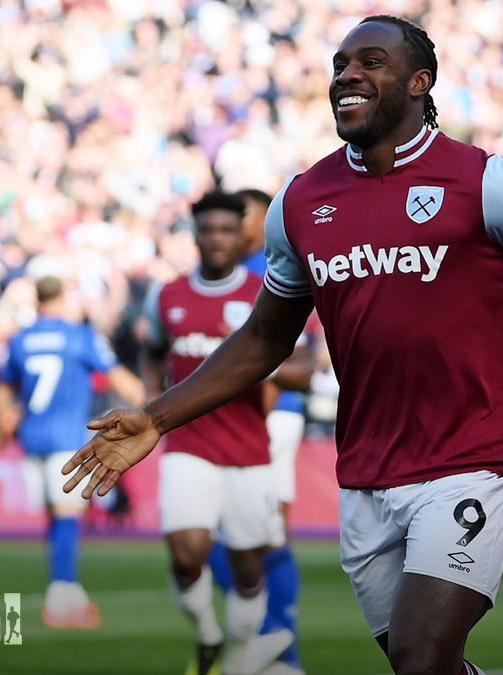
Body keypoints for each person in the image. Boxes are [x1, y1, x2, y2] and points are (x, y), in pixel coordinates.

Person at [62, 15, 503, 675]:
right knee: (423, 666)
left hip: (471, 453)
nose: (347, 75)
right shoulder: (300, 203)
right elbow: (265, 337)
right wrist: (157, 416)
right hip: (367, 468)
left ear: (419, 82)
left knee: (420, 654)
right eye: (340, 65)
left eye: (370, 62)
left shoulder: (485, 182)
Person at [141, 191, 309, 675]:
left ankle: (236, 653)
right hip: (187, 444)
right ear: (194, 236)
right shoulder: (166, 295)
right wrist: (152, 402)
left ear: (242, 237)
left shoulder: (265, 292)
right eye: (208, 230)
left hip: (248, 448)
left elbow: (302, 369)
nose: (217, 239)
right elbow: (153, 351)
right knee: (186, 552)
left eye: (226, 230)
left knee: (249, 567)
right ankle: (208, 634)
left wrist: (250, 361)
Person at [0, 275, 146, 630]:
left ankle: (66, 589)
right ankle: (62, 594)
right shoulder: (80, 337)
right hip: (68, 439)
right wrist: (155, 407)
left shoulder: (20, 340)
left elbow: (2, 386)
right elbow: (118, 377)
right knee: (67, 515)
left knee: (55, 515)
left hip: (32, 438)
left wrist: (3, 421)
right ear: (62, 297)